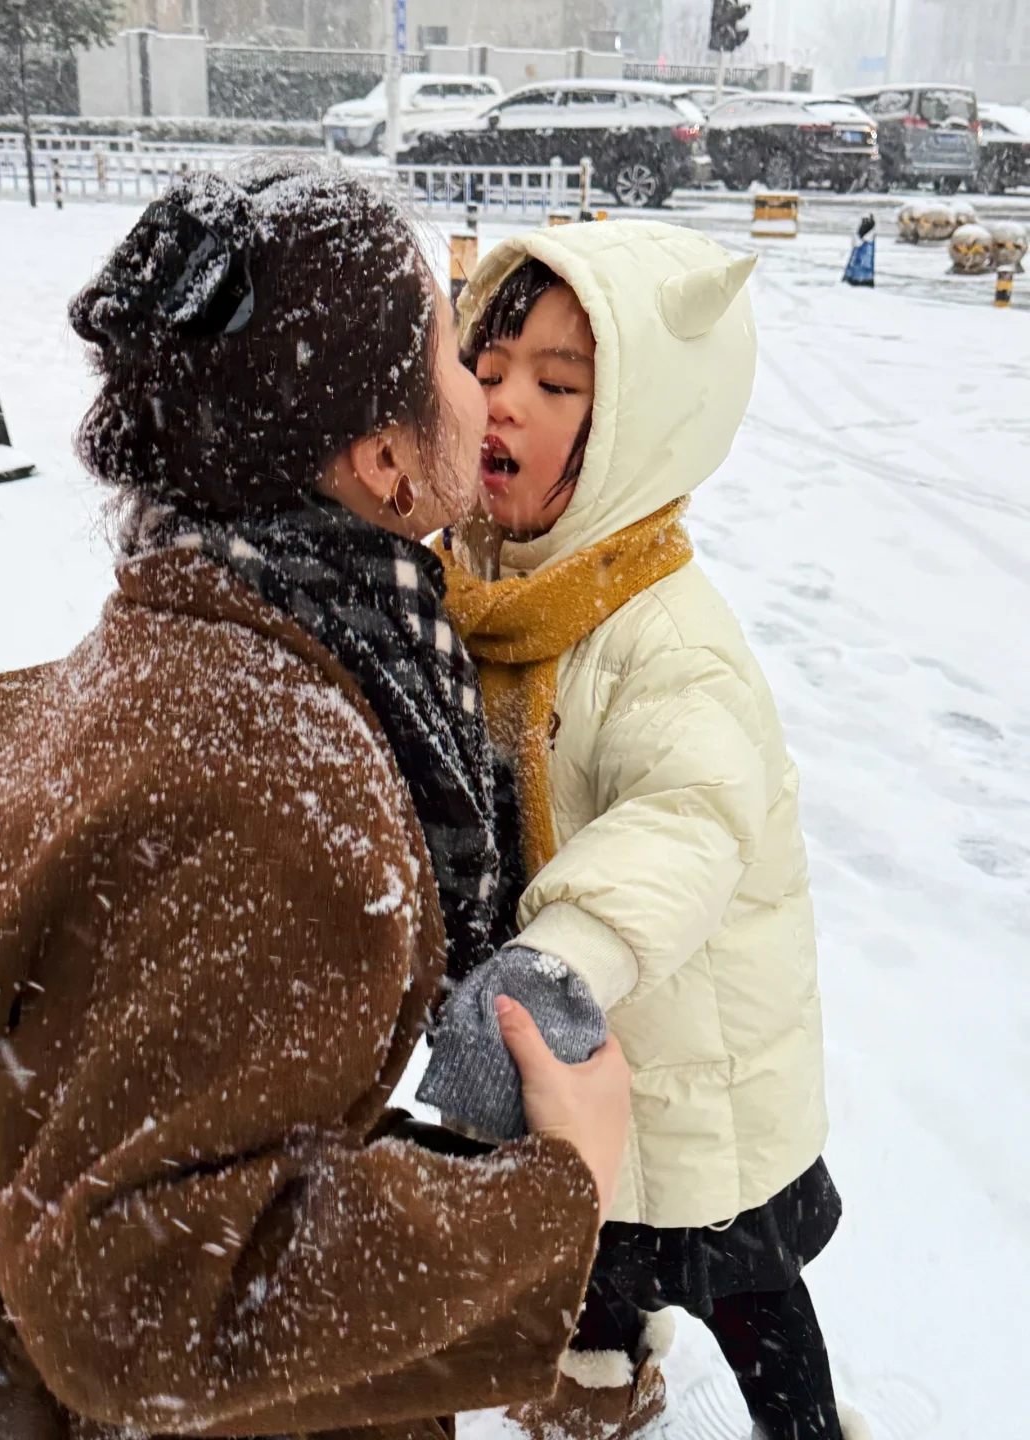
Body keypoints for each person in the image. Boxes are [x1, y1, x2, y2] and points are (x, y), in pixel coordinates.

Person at [0, 164, 633, 1439]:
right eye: (453, 348)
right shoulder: (283, 792)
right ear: (386, 460)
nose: (482, 387)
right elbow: (130, 1300)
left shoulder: (183, 652)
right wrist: (560, 1189)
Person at [417, 223, 868, 1440]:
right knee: (590, 1236)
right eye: (488, 366)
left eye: (559, 385)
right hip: (566, 1040)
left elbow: (688, 818)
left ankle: (805, 1428)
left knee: (744, 1277)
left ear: (639, 429)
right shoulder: (479, 586)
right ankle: (598, 1381)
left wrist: (556, 965)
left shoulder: (666, 635)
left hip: (685, 1047)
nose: (505, 402)